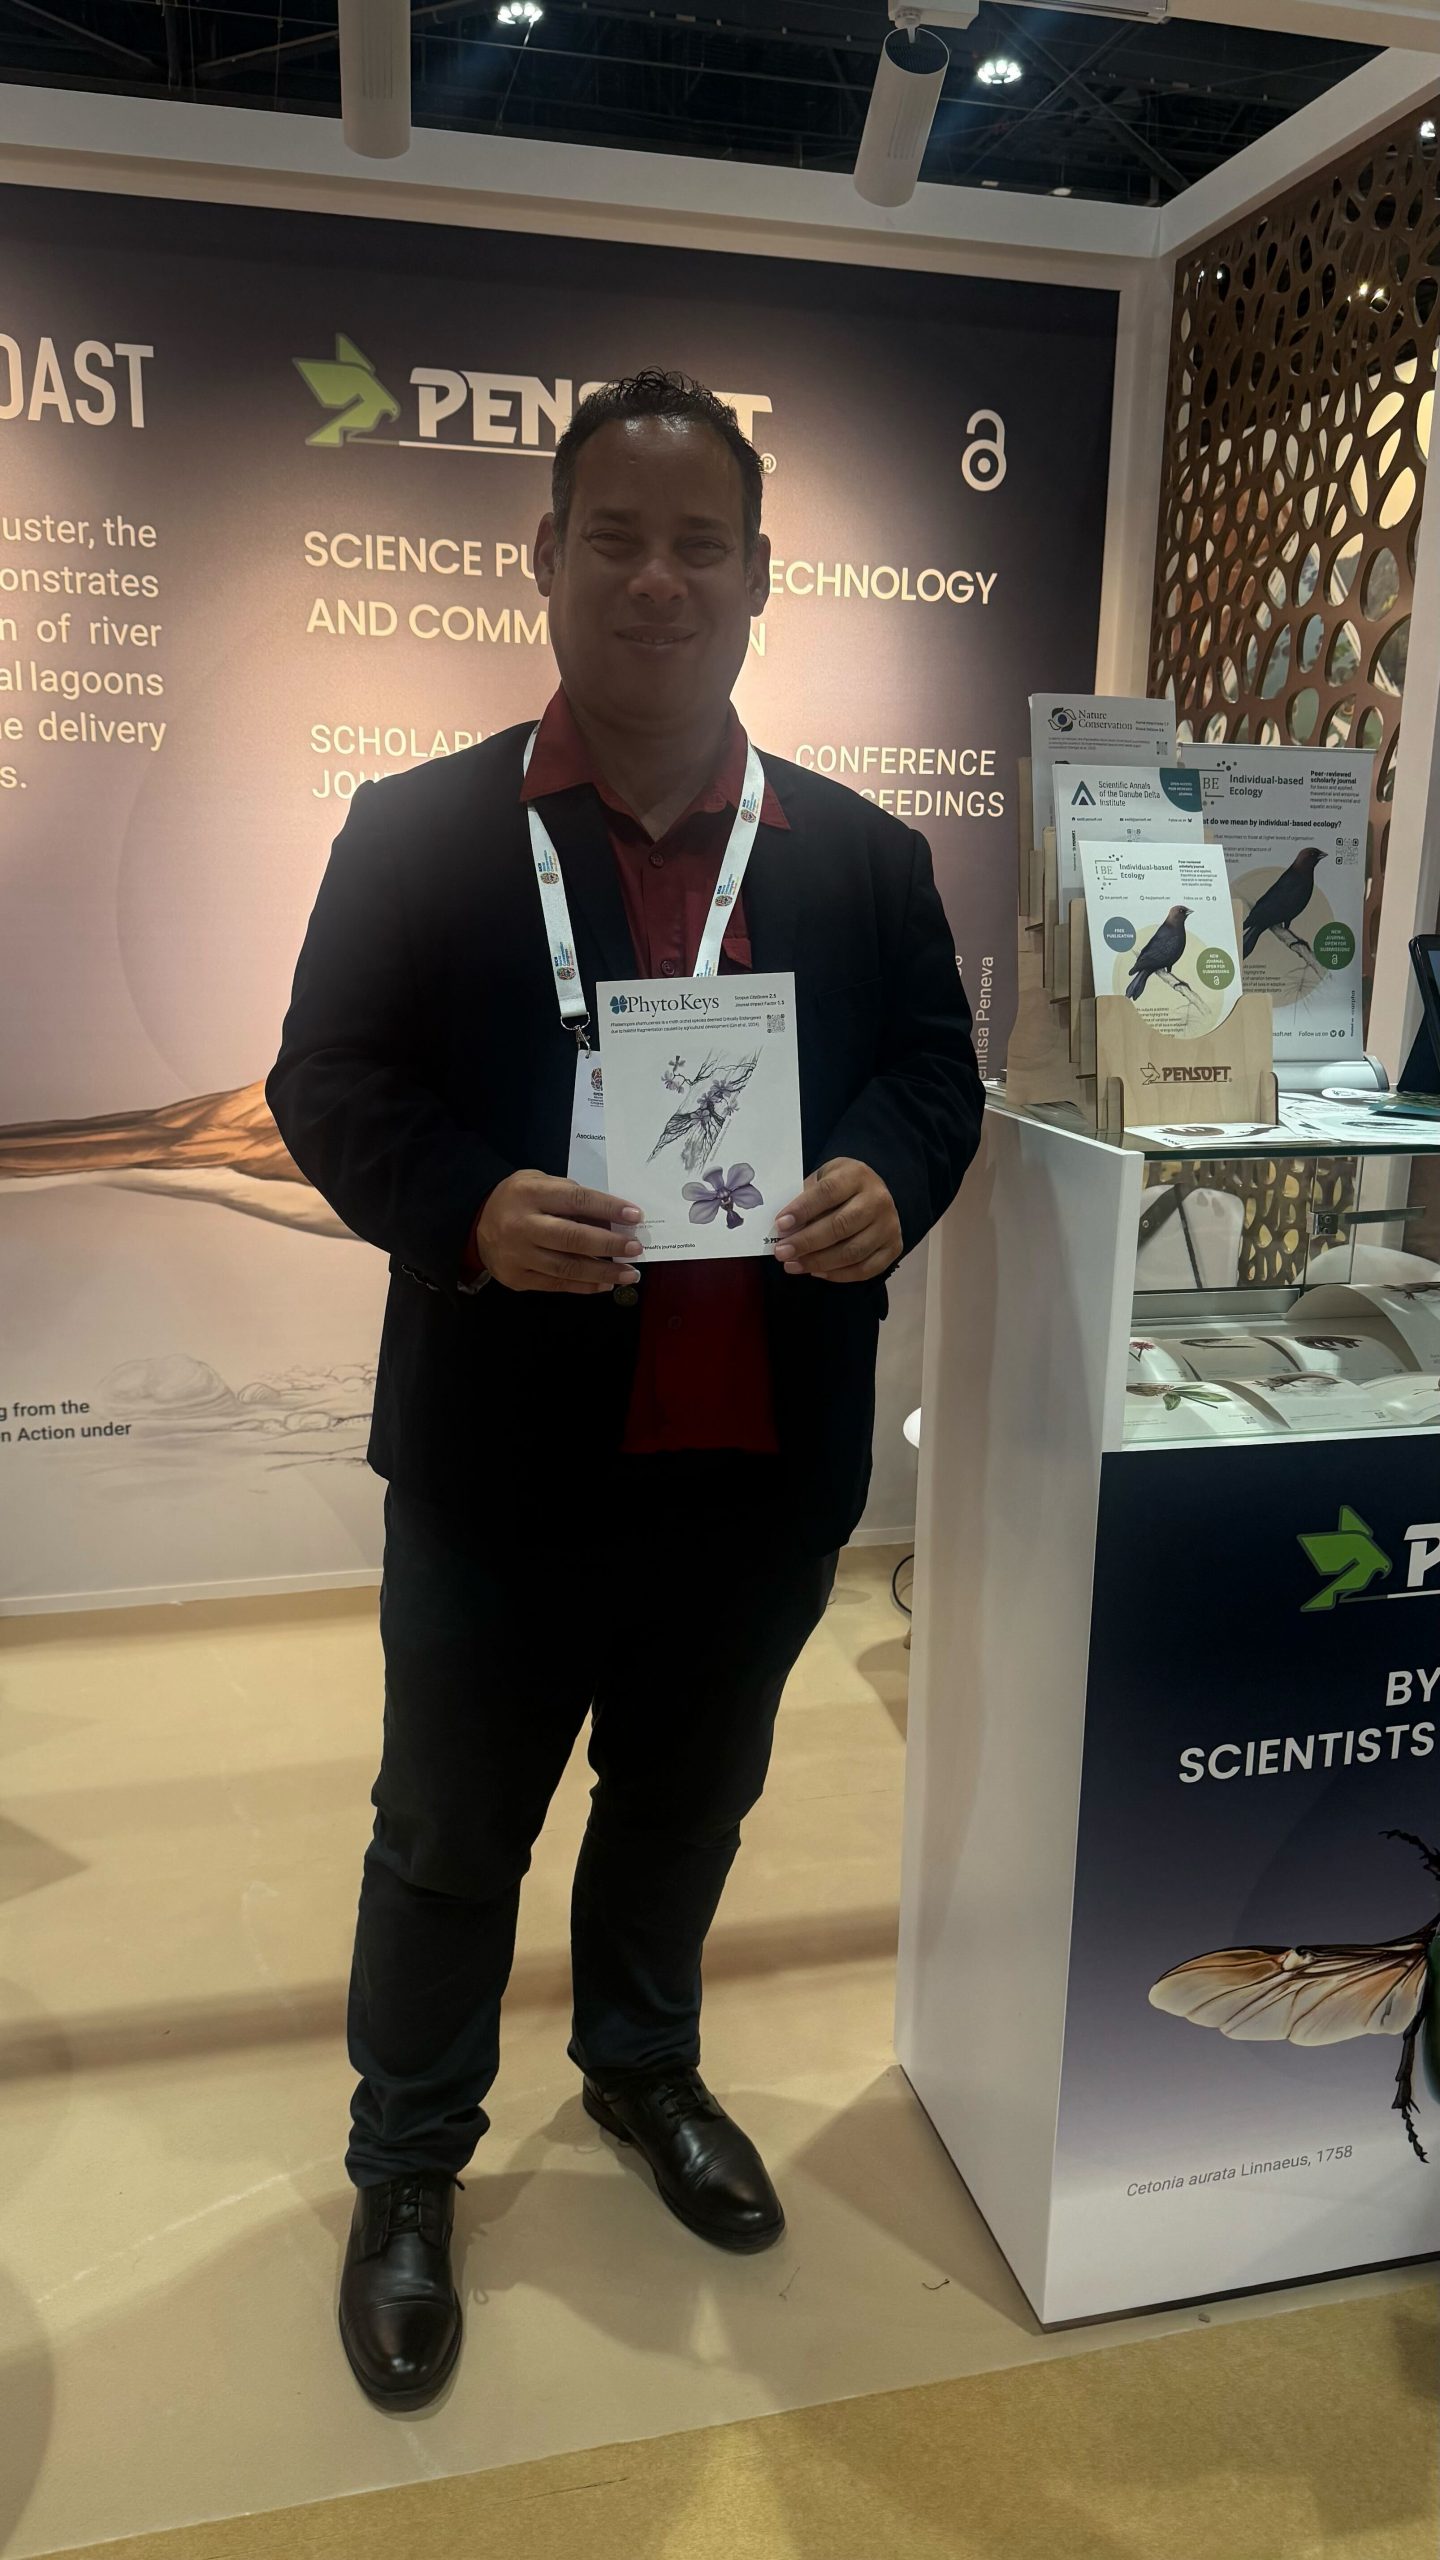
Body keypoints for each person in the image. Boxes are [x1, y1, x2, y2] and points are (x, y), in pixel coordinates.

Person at [267, 369, 984, 2412]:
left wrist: (892, 1173)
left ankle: (643, 2068)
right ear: (548, 559)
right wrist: (467, 1206)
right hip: (503, 1467)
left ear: (758, 577)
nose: (658, 578)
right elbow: (327, 1080)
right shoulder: (423, 830)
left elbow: (934, 1073)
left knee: (686, 1805)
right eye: (617, 537)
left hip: (756, 1467)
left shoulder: (860, 854)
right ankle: (409, 2165)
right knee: (447, 1834)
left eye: (699, 544)